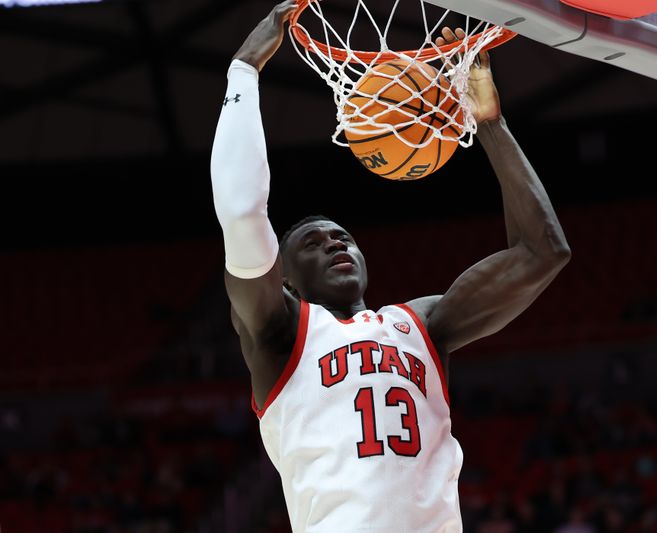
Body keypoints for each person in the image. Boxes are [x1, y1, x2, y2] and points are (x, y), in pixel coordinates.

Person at [210, 1, 571, 531]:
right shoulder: (280, 334)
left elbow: (544, 252)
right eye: (313, 243)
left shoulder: (421, 324)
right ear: (283, 278)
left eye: (344, 238)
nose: (336, 245)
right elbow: (242, 215)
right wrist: (243, 69)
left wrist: (488, 122)